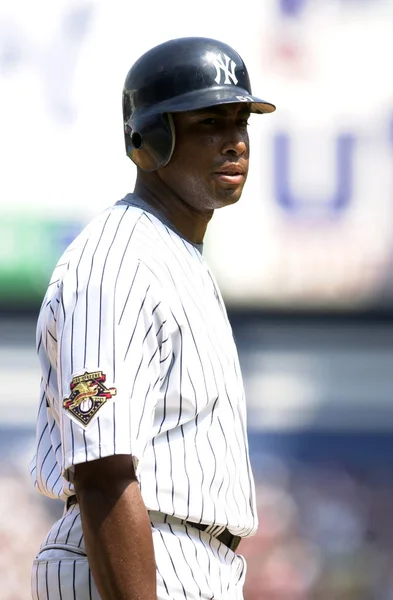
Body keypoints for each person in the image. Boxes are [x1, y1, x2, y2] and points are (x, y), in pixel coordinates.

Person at [29, 36, 276, 599]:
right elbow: (101, 468)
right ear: (149, 141)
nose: (235, 141)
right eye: (210, 123)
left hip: (187, 560)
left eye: (241, 122)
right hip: (131, 559)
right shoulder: (116, 263)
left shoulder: (174, 255)